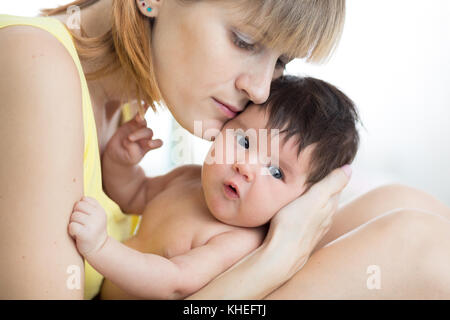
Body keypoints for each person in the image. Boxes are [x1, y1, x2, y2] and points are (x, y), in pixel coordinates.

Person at [0, 0, 449, 300]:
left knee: (405, 204)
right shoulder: (34, 63)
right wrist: (275, 257)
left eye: (279, 63)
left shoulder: (122, 105)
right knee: (420, 247)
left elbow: (134, 194)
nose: (258, 89)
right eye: (245, 41)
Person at [68, 75, 360, 299]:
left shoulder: (237, 241)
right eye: (244, 142)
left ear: (304, 201)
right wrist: (121, 163)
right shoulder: (188, 179)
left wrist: (101, 247)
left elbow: (174, 283)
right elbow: (134, 194)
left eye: (275, 171)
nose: (244, 167)